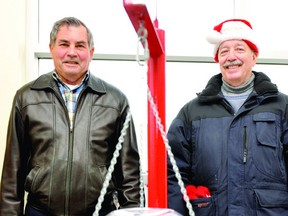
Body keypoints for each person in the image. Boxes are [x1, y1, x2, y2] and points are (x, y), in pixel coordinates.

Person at [0, 17, 141, 216]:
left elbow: (130, 176)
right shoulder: (27, 98)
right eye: (64, 44)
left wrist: (132, 213)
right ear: (51, 49)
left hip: (98, 211)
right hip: (40, 212)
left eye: (80, 45)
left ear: (91, 52)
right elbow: (12, 173)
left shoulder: (115, 102)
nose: (72, 52)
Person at [167, 18, 288, 215]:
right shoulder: (192, 112)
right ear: (218, 60)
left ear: (254, 56)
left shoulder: (282, 107)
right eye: (224, 52)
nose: (231, 57)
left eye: (239, 49)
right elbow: (171, 172)